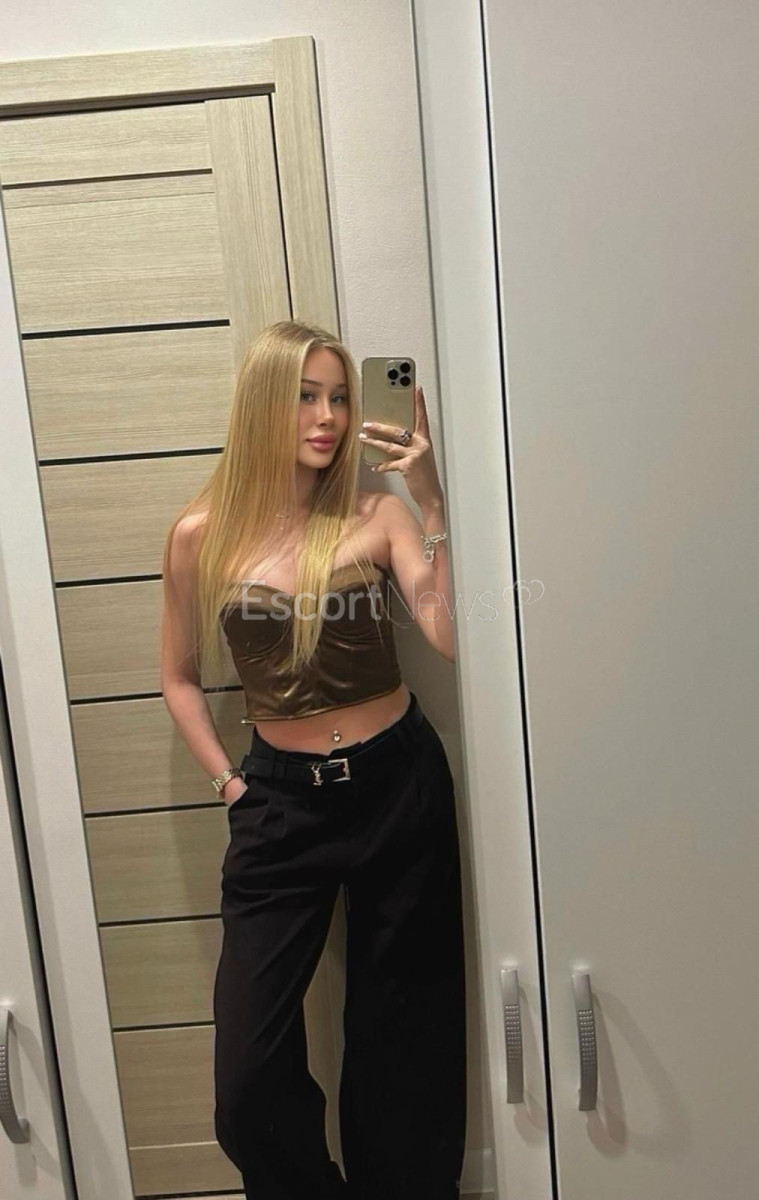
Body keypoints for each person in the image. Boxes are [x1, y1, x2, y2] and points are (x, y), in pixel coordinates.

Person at [159, 319, 466, 1200]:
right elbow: (178, 679)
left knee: (404, 1045)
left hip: (398, 787)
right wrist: (230, 785)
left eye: (338, 396)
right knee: (247, 1082)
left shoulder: (377, 514)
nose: (328, 417)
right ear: (264, 403)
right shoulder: (200, 534)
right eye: (305, 396)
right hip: (279, 806)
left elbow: (450, 638)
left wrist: (431, 504)